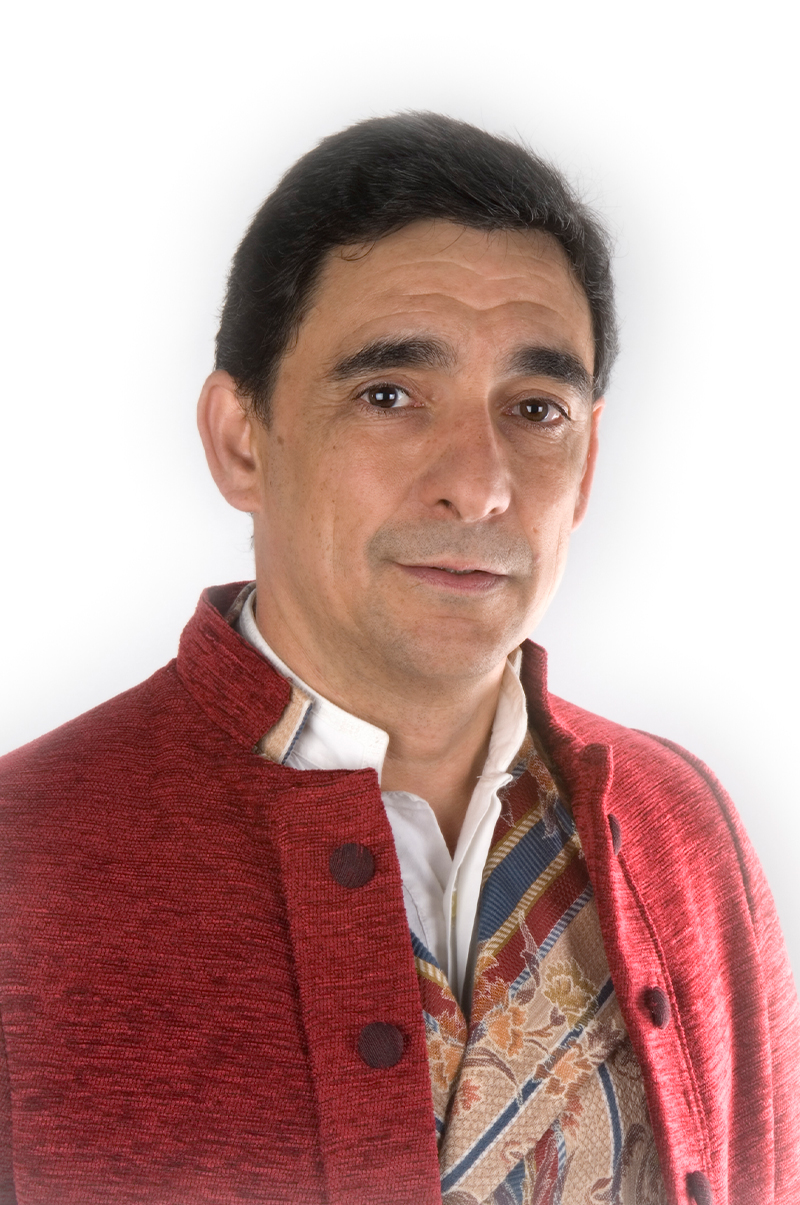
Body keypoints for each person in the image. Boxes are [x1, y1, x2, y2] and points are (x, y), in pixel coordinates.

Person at [0, 112, 797, 1205]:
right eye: (388, 396)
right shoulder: (25, 865)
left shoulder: (678, 826)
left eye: (535, 409)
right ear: (241, 438)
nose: (479, 484)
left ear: (587, 464)